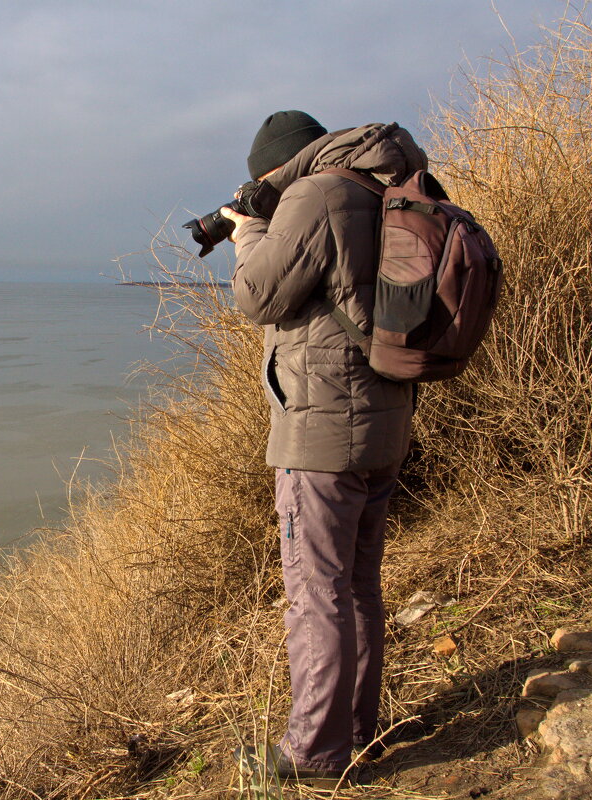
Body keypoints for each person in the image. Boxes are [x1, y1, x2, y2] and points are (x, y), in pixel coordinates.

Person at [220, 111, 426, 785]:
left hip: (322, 431)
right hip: (386, 418)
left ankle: (314, 751)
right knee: (357, 584)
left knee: (316, 592)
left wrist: (248, 233)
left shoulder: (319, 195)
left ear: (280, 167)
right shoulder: (379, 186)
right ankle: (357, 731)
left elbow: (258, 295)